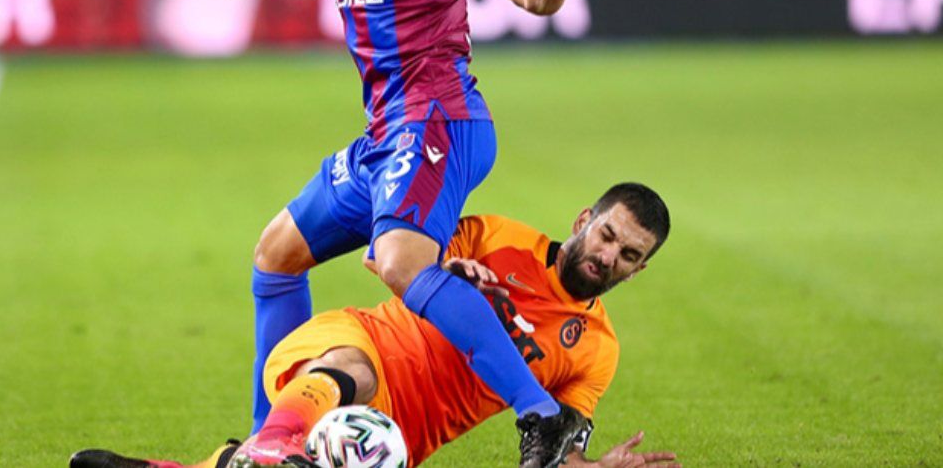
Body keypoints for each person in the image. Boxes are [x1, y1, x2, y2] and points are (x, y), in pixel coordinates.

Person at [169, 0, 579, 465]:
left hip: (439, 123)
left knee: (400, 263)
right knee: (275, 254)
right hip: (385, 139)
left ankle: (542, 413)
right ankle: (270, 441)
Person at [73, 183, 676, 468]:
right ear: (583, 220)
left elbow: (550, 448)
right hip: (362, 344)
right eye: (606, 235)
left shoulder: (596, 350)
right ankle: (272, 441)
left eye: (628, 255)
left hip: (401, 436)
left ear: (639, 269)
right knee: (352, 372)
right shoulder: (497, 236)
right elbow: (385, 256)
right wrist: (446, 270)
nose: (607, 257)